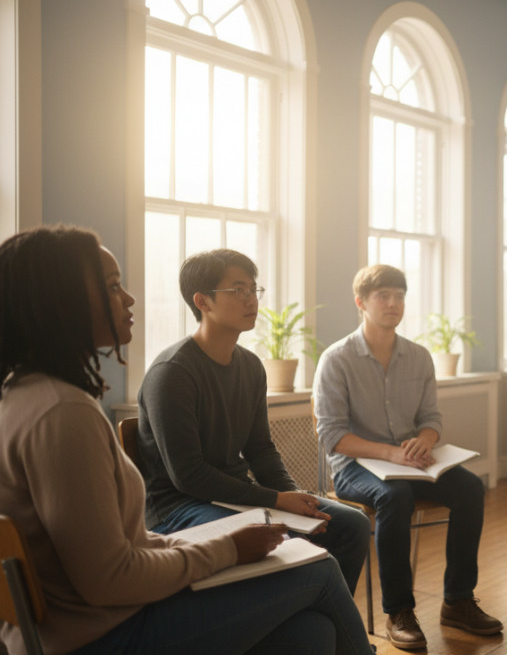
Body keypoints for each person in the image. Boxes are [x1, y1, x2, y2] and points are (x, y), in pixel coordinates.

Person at [0, 226, 372, 655]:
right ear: (59, 300)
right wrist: (228, 548)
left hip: (106, 613)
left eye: (255, 289)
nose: (130, 298)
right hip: (102, 633)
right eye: (113, 286)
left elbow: (259, 449)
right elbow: (111, 576)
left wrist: (284, 497)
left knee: (314, 633)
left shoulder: (34, 396)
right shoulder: (65, 413)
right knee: (318, 571)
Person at [136, 249, 370, 592]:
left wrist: (292, 497)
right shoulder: (171, 373)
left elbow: (260, 449)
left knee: (352, 524)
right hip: (179, 508)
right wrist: (275, 500)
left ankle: (324, 634)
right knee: (285, 547)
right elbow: (188, 476)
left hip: (236, 497)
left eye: (253, 290)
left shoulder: (250, 366)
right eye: (238, 290)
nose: (251, 300)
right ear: (203, 301)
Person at [314, 264, 501, 651]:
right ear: (360, 302)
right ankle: (399, 611)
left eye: (399, 295)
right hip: (356, 467)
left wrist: (425, 440)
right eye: (383, 295)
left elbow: (431, 419)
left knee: (469, 487)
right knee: (393, 497)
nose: (393, 303)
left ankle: (458, 601)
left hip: (410, 461)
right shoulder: (336, 359)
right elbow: (332, 436)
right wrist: (390, 453)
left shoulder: (418, 357)